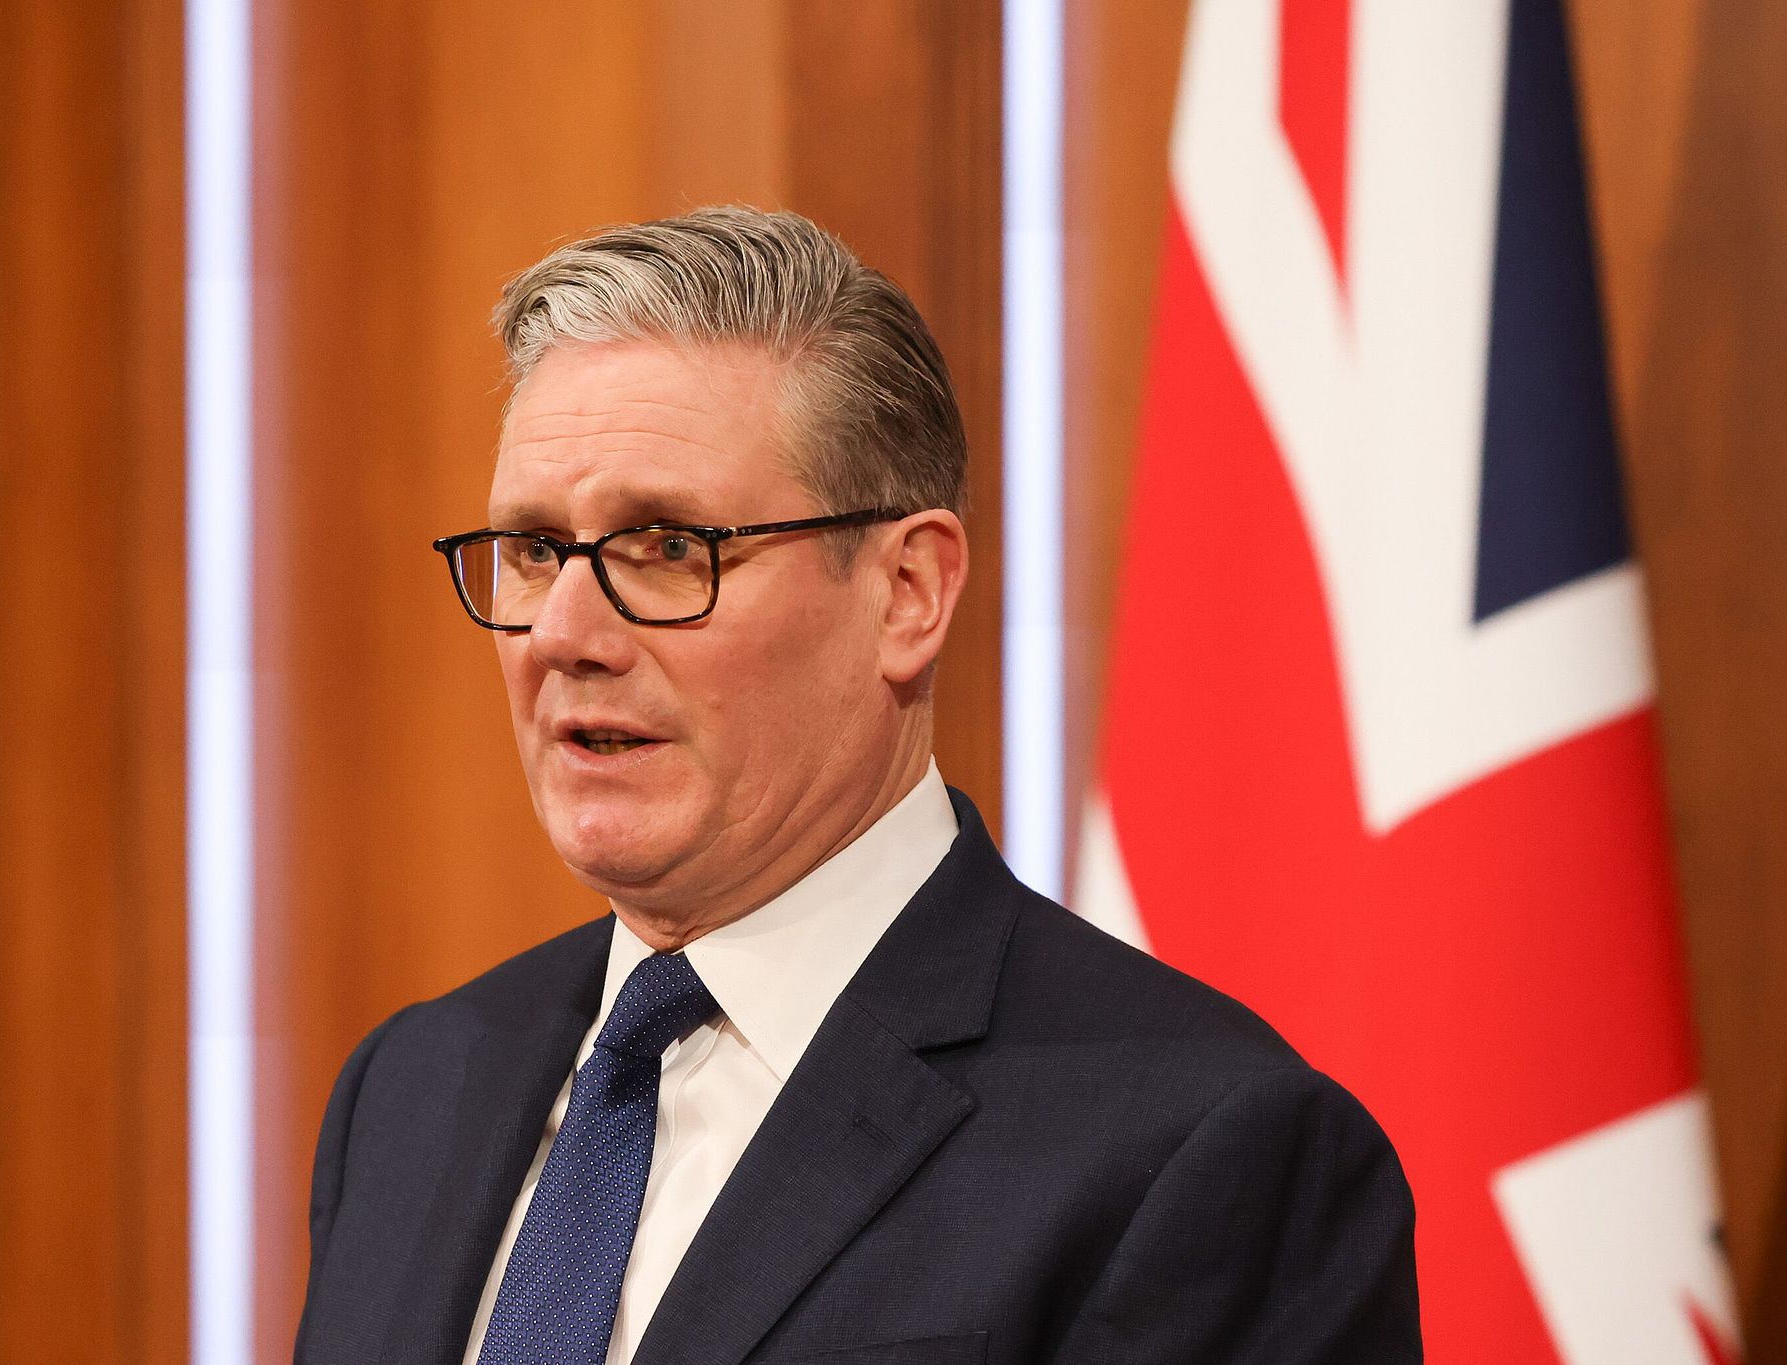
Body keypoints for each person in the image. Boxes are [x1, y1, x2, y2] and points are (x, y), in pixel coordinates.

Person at [293, 207, 1421, 1365]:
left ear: (906, 594)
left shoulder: (1197, 1150)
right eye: (534, 550)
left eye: (671, 546)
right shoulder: (412, 1090)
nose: (565, 633)